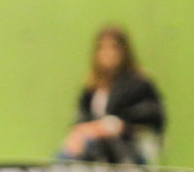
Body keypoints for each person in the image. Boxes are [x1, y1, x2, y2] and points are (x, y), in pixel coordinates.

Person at [58, 24, 165, 164]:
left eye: (113, 47)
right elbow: (81, 118)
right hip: (94, 147)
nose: (108, 53)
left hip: (127, 149)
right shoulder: (91, 87)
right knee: (66, 154)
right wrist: (80, 132)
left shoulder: (139, 84)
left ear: (124, 51)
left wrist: (114, 126)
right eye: (102, 47)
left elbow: (150, 117)